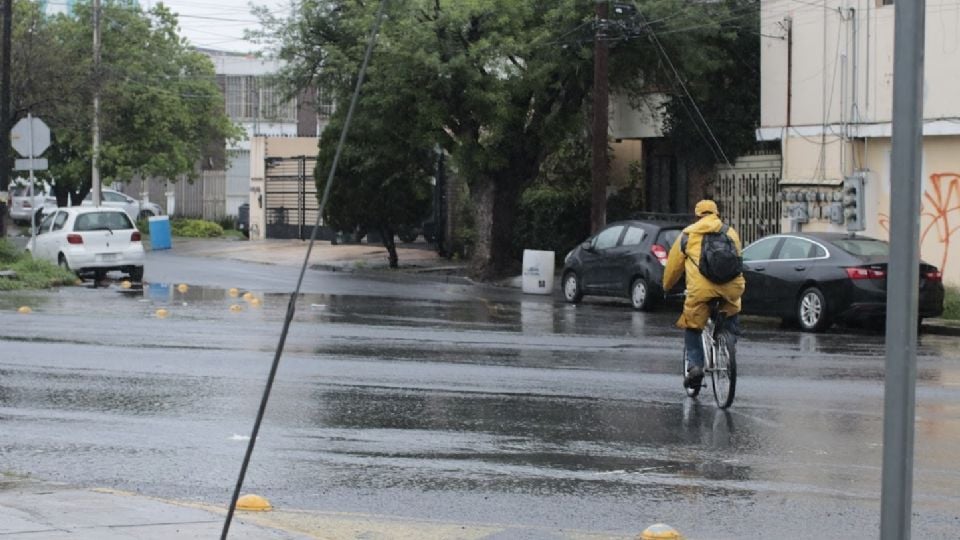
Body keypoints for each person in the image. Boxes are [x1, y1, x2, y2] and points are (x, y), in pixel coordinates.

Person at [662, 200, 745, 389]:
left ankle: (696, 366)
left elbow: (673, 268)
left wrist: (667, 287)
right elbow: (738, 260)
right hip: (731, 288)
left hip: (700, 291)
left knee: (692, 325)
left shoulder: (688, 235)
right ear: (716, 213)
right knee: (731, 311)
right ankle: (729, 345)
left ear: (697, 215)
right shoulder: (730, 232)